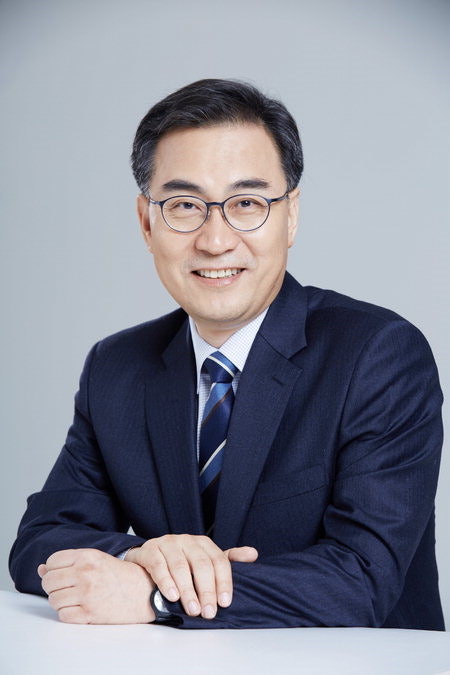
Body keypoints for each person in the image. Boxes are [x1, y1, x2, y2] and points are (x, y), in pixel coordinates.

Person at [9, 79, 445, 630]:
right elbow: (41, 541)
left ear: (291, 216)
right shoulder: (116, 367)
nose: (215, 241)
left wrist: (157, 594)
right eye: (184, 206)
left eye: (246, 204)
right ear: (146, 222)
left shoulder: (378, 355)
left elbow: (363, 579)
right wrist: (143, 555)